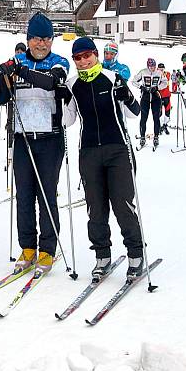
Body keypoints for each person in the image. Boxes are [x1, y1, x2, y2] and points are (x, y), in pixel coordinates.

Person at [61, 36, 146, 281]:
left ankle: (135, 254)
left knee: (123, 205)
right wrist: (63, 99)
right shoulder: (73, 84)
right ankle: (102, 256)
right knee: (95, 209)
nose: (83, 61)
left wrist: (126, 95)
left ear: (96, 55)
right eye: (78, 58)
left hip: (118, 149)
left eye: (87, 55)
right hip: (88, 152)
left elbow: (134, 113)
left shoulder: (111, 78)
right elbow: (68, 121)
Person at [0, 12, 70, 274]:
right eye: (37, 39)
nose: (42, 44)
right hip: (23, 138)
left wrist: (22, 70)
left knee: (46, 194)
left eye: (47, 39)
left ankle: (48, 249)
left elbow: (53, 83)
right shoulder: (17, 60)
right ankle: (27, 247)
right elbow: (1, 98)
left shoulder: (58, 62)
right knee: (24, 195)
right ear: (28, 39)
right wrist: (4, 76)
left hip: (50, 139)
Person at [130, 58, 167, 148]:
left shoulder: (159, 73)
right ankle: (142, 137)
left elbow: (165, 82)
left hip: (155, 96)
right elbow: (133, 81)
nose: (152, 68)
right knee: (144, 117)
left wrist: (157, 87)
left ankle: (156, 137)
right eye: (151, 67)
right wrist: (141, 87)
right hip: (145, 97)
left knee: (156, 117)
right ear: (148, 66)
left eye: (154, 66)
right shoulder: (143, 72)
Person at [157, 62, 172, 135]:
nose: (161, 69)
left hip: (166, 95)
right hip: (158, 95)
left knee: (167, 111)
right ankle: (160, 126)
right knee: (159, 112)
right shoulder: (155, 73)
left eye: (162, 68)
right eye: (160, 68)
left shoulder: (167, 73)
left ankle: (165, 125)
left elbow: (167, 79)